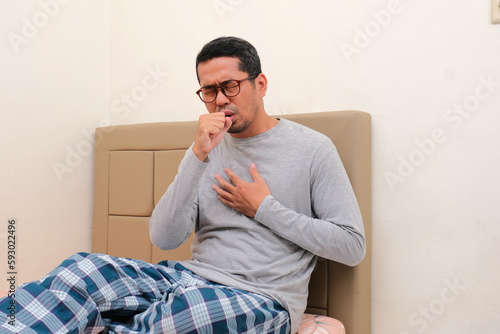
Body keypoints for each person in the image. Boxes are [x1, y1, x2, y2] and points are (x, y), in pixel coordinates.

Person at [0, 36, 365, 334]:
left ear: (261, 84)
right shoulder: (206, 147)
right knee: (83, 269)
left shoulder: (313, 149)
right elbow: (164, 238)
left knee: (183, 317)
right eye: (209, 90)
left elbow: (351, 246)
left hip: (259, 297)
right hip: (185, 277)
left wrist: (264, 208)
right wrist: (197, 155)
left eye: (231, 86)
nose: (221, 99)